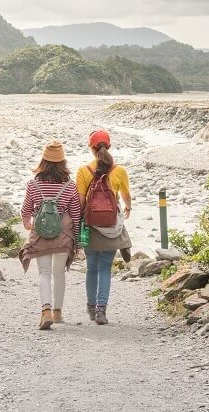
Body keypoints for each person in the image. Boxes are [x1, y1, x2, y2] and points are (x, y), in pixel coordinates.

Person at [18, 141, 82, 330]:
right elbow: (76, 215)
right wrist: (77, 242)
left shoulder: (33, 184)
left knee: (44, 273)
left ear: (43, 161)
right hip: (63, 236)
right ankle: (58, 312)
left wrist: (27, 223)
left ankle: (45, 310)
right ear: (62, 162)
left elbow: (26, 210)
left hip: (41, 235)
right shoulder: (70, 186)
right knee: (59, 273)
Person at [76, 129, 132, 325]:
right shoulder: (120, 170)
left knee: (91, 268)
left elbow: (81, 202)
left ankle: (91, 309)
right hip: (110, 228)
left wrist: (79, 224)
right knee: (105, 269)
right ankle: (101, 311)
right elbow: (125, 197)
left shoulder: (84, 170)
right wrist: (128, 207)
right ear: (109, 146)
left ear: (91, 148)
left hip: (91, 227)